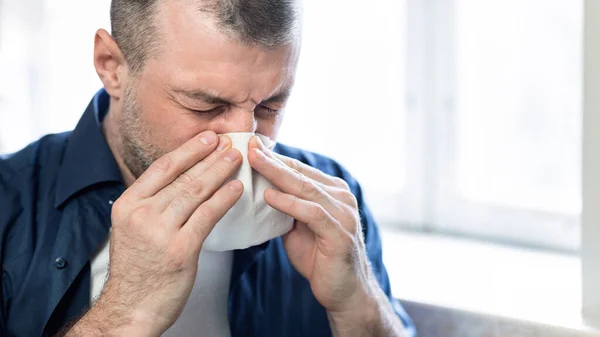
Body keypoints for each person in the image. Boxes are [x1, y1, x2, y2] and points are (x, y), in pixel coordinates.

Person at [0, 0, 415, 336]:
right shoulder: (8, 204)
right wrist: (124, 316)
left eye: (270, 105)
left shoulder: (331, 201)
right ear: (112, 65)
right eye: (206, 105)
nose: (245, 138)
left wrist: (359, 308)